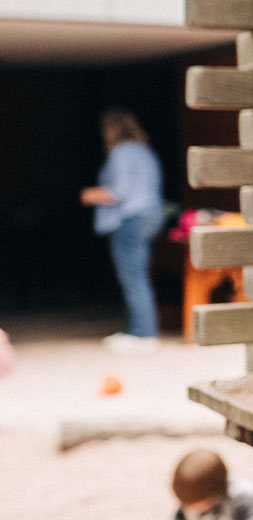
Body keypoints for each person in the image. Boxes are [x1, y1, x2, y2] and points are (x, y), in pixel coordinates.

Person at [80, 106, 168, 352]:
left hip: (131, 218)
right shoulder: (145, 152)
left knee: (133, 276)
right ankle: (142, 331)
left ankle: (143, 334)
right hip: (151, 215)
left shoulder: (121, 153)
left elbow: (118, 192)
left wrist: (88, 195)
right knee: (140, 274)